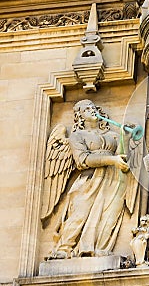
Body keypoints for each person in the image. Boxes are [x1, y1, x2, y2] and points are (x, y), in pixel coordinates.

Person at [46, 99, 140, 259]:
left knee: (110, 215)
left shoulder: (112, 135)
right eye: (86, 109)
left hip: (114, 180)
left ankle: (100, 250)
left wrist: (125, 137)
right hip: (89, 180)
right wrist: (112, 161)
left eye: (93, 107)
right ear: (80, 116)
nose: (91, 110)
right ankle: (64, 248)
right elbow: (82, 160)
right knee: (80, 212)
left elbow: (121, 154)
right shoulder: (77, 136)